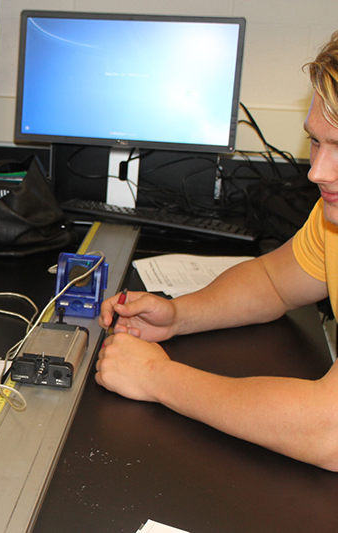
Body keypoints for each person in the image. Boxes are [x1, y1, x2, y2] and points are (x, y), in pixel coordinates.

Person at [96, 30, 338, 471]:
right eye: (317, 142)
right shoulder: (333, 218)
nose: (317, 172)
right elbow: (273, 283)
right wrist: (178, 317)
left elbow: (329, 430)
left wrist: (157, 377)